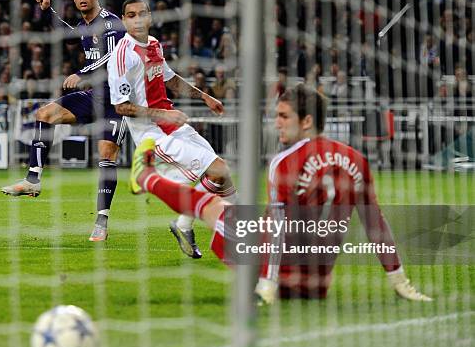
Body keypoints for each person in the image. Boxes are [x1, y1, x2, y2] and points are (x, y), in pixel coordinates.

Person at [129, 84, 432, 304]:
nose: (277, 123)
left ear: (307, 121)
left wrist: (266, 285)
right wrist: (400, 281)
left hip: (272, 271)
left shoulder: (285, 162)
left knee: (212, 205)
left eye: (284, 116)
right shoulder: (356, 160)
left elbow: (275, 230)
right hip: (316, 285)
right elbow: (375, 224)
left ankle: (146, 177)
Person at [107, 0, 237, 259]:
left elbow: (170, 79)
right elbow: (121, 107)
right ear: (123, 20)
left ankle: (185, 225)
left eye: (142, 14)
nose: (138, 19)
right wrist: (163, 113)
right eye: (131, 15)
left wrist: (204, 97)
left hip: (171, 124)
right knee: (218, 169)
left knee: (223, 176)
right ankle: (235, 238)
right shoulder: (122, 56)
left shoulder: (154, 44)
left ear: (150, 17)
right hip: (152, 135)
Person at [1, 0, 127, 242]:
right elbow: (69, 37)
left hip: (116, 100)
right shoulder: (84, 24)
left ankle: (101, 222)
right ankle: (33, 179)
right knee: (44, 114)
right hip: (93, 95)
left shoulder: (112, 23)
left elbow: (112, 57)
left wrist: (82, 72)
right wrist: (48, 12)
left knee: (105, 156)